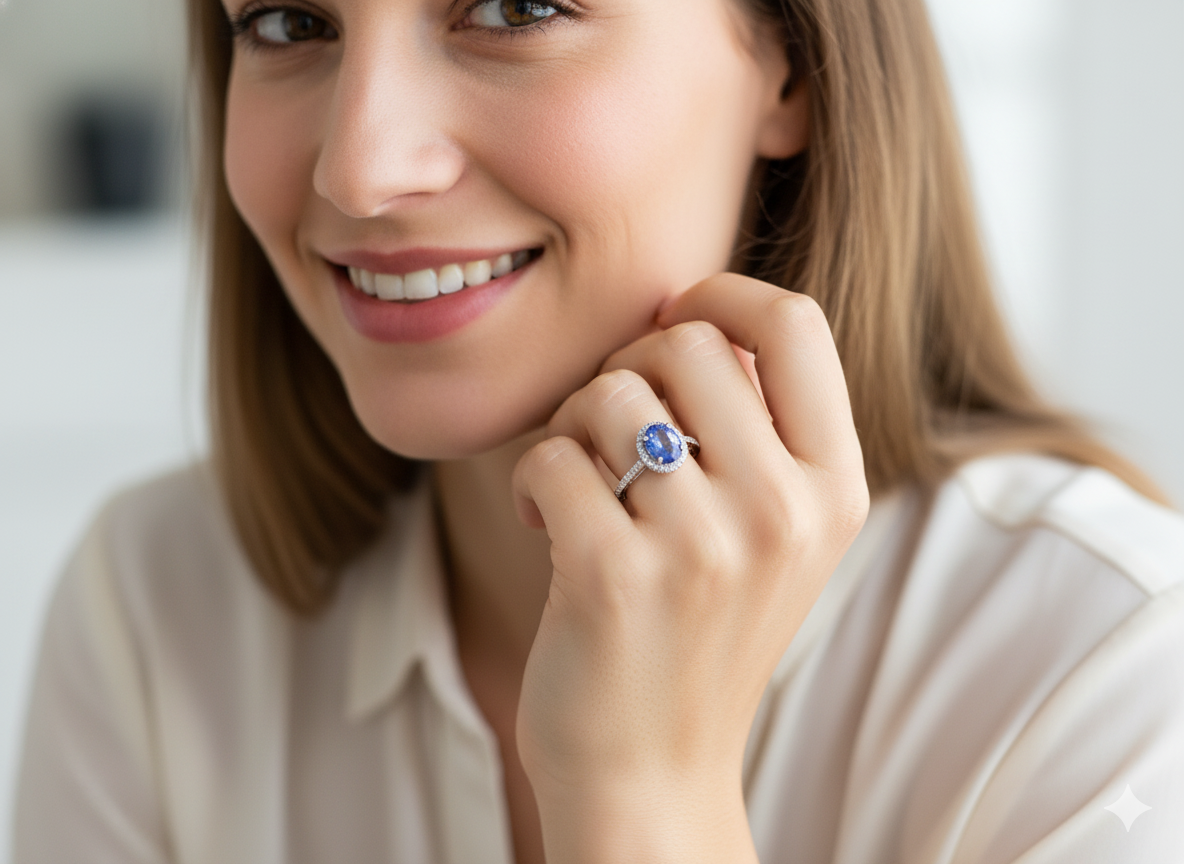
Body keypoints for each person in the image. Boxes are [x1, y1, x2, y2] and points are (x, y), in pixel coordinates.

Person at [12, 0, 1184, 861]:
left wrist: (641, 794)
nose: (360, 170)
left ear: (788, 65)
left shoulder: (1112, 676)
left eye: (514, 9)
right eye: (286, 23)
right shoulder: (153, 611)